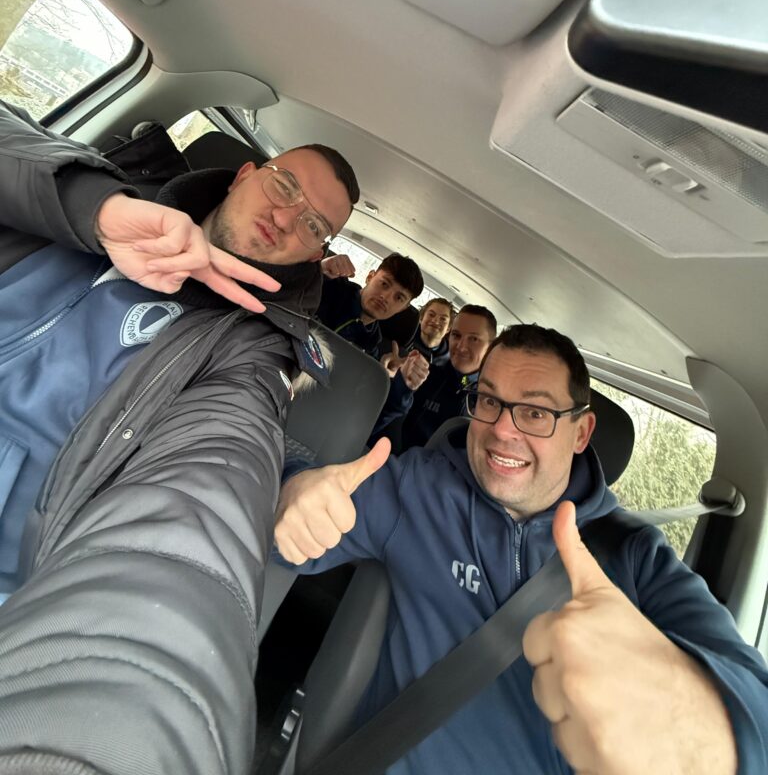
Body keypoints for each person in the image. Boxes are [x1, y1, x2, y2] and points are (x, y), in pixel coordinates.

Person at [0, 102, 358, 774]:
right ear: (245, 174)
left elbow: (217, 470)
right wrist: (95, 210)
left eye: (314, 224)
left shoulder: (254, 350)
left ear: (317, 253)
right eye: (284, 186)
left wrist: (283, 482)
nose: (287, 217)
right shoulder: (112, 191)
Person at [275, 323, 768, 775]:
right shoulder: (421, 488)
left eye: (535, 412)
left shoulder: (635, 556)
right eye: (489, 400)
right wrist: (293, 492)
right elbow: (302, 528)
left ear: (581, 432)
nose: (503, 429)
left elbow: (754, 699)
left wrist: (696, 729)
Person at [373, 304, 496, 451]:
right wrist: (401, 385)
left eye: (474, 339)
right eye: (456, 335)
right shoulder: (424, 375)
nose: (461, 347)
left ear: (491, 347)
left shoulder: (492, 400)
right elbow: (378, 424)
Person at [316, 251, 424, 358]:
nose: (386, 297)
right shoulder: (330, 286)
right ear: (370, 277)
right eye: (384, 284)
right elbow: (307, 285)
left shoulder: (371, 343)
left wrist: (384, 368)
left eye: (399, 297)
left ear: (403, 308)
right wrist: (320, 269)